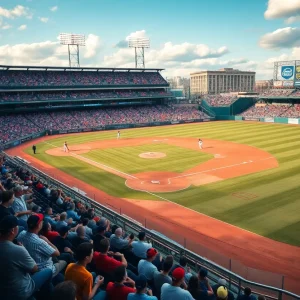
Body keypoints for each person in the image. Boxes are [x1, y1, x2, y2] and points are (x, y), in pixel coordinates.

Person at [0, 215, 53, 300]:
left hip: (3, 288)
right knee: (49, 271)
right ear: (13, 230)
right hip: (20, 291)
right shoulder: (18, 249)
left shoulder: (20, 236)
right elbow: (34, 269)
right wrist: (24, 249)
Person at [17, 213, 67, 278]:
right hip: (44, 270)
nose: (43, 222)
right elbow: (57, 253)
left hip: (29, 266)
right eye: (41, 221)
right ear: (38, 225)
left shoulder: (21, 233)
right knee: (65, 260)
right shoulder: (40, 242)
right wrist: (47, 241)